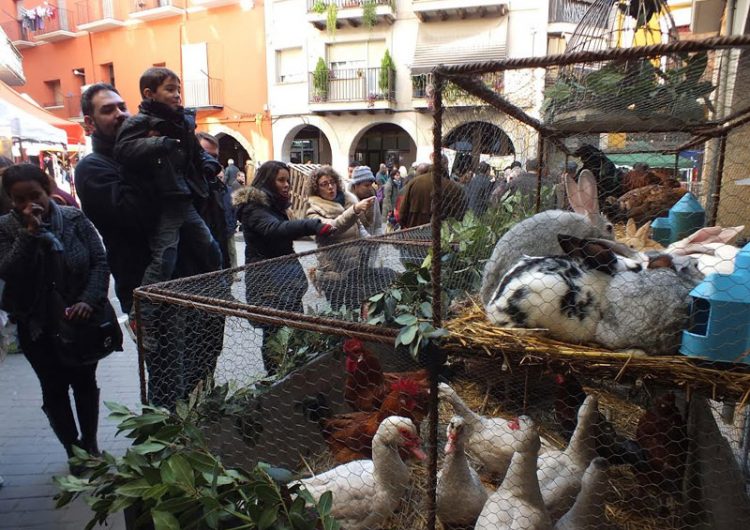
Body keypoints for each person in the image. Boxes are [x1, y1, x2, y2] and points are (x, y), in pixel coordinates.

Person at [0, 164, 110, 466]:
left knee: (85, 384)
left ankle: (91, 444)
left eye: (34, 196)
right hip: (37, 325)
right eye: (18, 200)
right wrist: (29, 235)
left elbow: (99, 261)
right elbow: (8, 270)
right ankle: (72, 450)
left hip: (79, 322)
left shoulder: (74, 219)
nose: (28, 206)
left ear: (47, 190)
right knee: (54, 388)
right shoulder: (5, 228)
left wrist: (89, 300)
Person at [113, 67, 222, 299]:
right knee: (164, 257)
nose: (177, 95)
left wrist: (209, 164)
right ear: (149, 93)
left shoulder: (182, 123)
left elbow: (195, 152)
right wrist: (159, 143)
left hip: (185, 197)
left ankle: (220, 287)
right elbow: (122, 150)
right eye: (170, 89)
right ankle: (141, 307)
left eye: (178, 90)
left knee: (210, 247)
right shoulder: (140, 122)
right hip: (166, 201)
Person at [233, 160, 334, 375]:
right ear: (268, 181)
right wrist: (312, 225)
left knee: (292, 330)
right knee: (272, 333)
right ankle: (274, 379)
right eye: (281, 180)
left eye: (288, 180)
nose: (287, 185)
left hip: (284, 280)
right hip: (267, 282)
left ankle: (289, 375)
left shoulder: (274, 205)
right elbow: (274, 229)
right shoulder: (253, 206)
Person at [75, 83, 152, 317]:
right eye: (108, 110)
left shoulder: (139, 153)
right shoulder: (91, 168)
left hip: (184, 279)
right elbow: (137, 218)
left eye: (122, 107)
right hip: (144, 288)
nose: (120, 114)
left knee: (205, 352)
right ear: (90, 122)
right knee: (166, 354)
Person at [305, 166, 376, 312]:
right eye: (324, 184)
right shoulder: (313, 211)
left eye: (332, 182)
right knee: (338, 314)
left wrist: (370, 241)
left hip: (354, 271)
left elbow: (361, 226)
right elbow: (332, 229)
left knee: (355, 311)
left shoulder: (347, 201)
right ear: (316, 189)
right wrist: (355, 210)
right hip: (333, 274)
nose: (330, 187)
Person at [196, 131, 235, 269]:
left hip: (218, 269)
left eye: (214, 156)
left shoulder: (218, 188)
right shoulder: (187, 189)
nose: (211, 161)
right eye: (205, 155)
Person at [398, 158, 468, 229]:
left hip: (414, 231)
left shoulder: (414, 183)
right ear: (445, 167)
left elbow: (402, 214)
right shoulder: (454, 188)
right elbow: (461, 216)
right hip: (444, 234)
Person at [349, 166, 383, 236]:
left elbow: (378, 225)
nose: (370, 188)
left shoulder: (373, 200)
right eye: (366, 185)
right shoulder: (348, 202)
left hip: (372, 244)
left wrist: (378, 241)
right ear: (356, 185)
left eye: (371, 185)